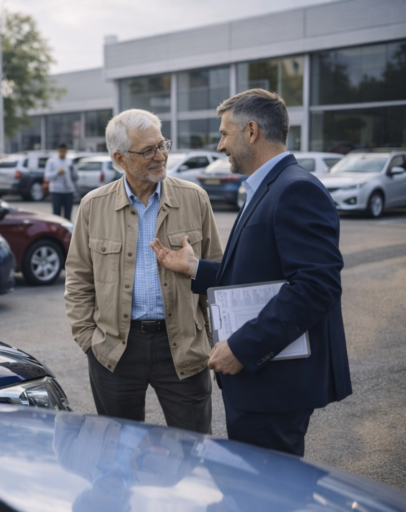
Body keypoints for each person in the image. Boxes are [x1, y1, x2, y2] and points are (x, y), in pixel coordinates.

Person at [150, 89, 352, 456]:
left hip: (273, 385)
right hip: (260, 382)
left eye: (224, 134)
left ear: (252, 131)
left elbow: (315, 287)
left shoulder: (296, 189)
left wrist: (242, 348)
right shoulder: (270, 187)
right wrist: (195, 268)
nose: (220, 146)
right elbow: (260, 276)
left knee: (267, 484)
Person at [64, 109, 223, 434]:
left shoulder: (195, 198)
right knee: (117, 448)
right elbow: (78, 277)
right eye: (148, 150)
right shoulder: (93, 205)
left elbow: (218, 275)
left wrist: (214, 340)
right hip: (115, 349)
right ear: (120, 158)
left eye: (162, 145)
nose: (160, 156)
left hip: (183, 347)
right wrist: (89, 340)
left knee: (193, 447)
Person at [44, 143, 78, 220]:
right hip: (56, 191)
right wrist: (57, 172)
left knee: (68, 215)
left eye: (64, 151)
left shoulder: (70, 161)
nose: (63, 153)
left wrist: (72, 169)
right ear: (58, 151)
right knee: (56, 215)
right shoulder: (51, 161)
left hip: (68, 191)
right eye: (61, 151)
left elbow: (75, 177)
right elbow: (47, 176)